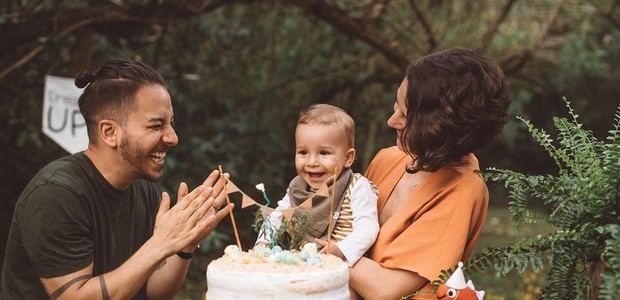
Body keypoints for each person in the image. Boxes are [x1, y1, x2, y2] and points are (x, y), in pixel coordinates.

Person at [1, 59, 233, 299]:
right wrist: (161, 243)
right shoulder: (55, 194)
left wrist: (185, 244)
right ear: (110, 132)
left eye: (171, 124)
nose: (173, 138)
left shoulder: (142, 188)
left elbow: (153, 292)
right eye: (156, 126)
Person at [349, 48, 511, 299]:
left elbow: (384, 288)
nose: (391, 121)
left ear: (438, 126)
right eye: (396, 107)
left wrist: (321, 246)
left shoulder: (462, 190)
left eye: (405, 115)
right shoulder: (387, 159)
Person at [256, 104, 379, 266]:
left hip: (344, 267)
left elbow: (367, 229)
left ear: (348, 157)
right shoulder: (298, 189)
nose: (312, 162)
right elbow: (277, 217)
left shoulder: (357, 187)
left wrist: (341, 249)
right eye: (303, 152)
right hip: (306, 264)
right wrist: (262, 245)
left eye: (324, 153)